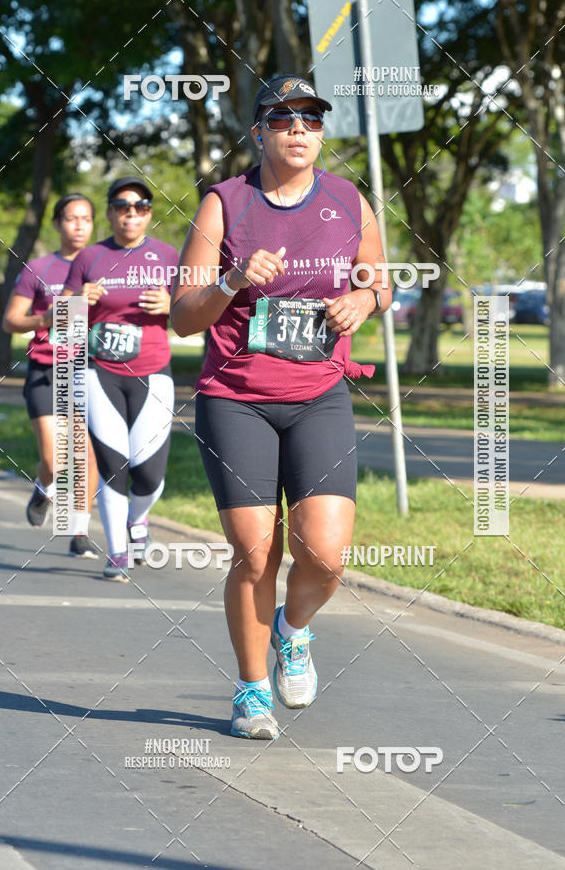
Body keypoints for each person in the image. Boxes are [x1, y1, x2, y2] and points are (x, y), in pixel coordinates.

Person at [170, 74, 391, 739]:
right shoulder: (224, 204)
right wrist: (234, 280)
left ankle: (293, 634)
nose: (300, 130)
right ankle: (250, 689)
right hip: (236, 399)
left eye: (312, 120)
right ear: (258, 131)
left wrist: (366, 301)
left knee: (324, 556)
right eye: (284, 118)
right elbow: (184, 315)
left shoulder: (350, 201)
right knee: (255, 550)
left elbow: (376, 277)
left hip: (318, 397)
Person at [62, 177, 178, 582]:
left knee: (149, 472)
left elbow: (192, 316)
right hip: (100, 372)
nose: (131, 212)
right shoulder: (89, 257)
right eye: (122, 205)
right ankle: (117, 552)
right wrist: (77, 302)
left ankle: (138, 520)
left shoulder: (168, 256)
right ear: (110, 212)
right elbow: (64, 322)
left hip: (153, 372)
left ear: (149, 213)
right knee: (114, 463)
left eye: (141, 206)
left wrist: (169, 305)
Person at [2, 193, 100, 558]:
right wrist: (48, 317)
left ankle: (79, 532)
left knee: (87, 455)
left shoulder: (104, 264)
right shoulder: (39, 269)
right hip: (46, 369)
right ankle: (44, 488)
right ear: (58, 224)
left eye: (86, 219)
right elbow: (10, 321)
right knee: (56, 460)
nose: (79, 225)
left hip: (88, 369)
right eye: (71, 218)